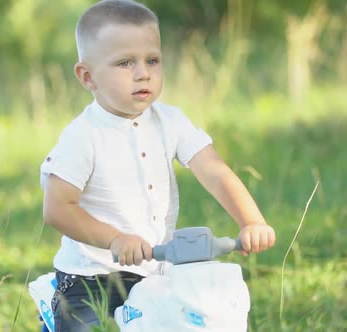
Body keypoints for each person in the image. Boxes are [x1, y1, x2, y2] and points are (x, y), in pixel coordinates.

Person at [40, 0, 276, 330]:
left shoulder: (170, 120)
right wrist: (114, 240)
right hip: (89, 279)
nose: (143, 72)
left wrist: (251, 221)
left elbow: (214, 171)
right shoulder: (83, 136)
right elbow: (57, 208)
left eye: (152, 60)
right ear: (87, 76)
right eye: (125, 63)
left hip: (154, 270)